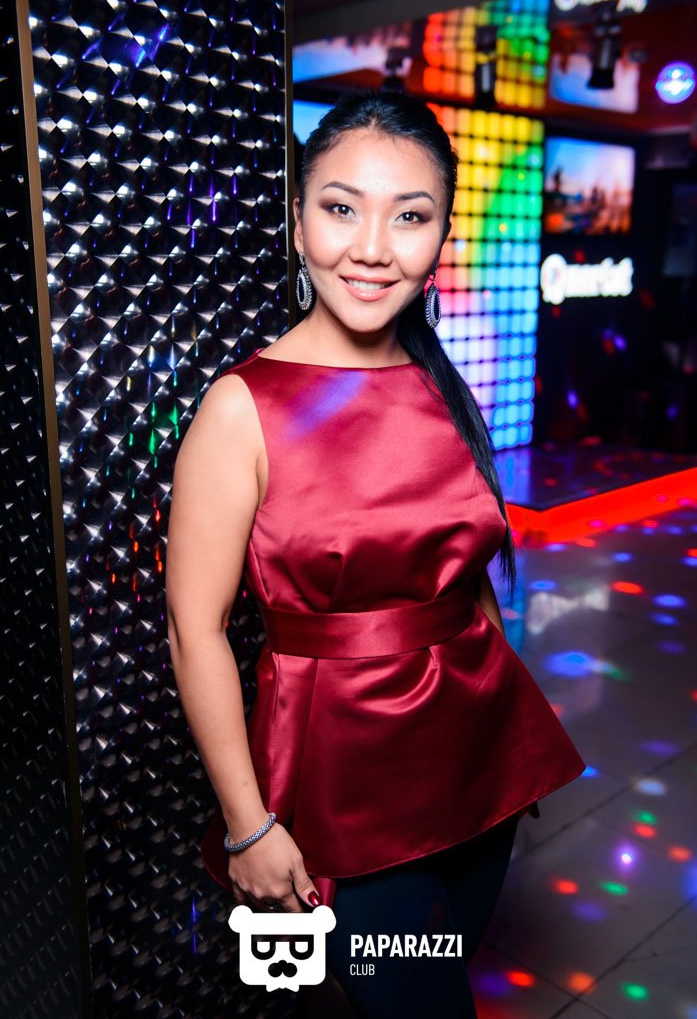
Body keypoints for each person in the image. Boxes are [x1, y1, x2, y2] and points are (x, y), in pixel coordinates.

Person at [166, 89, 586, 1018]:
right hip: (342, 781)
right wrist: (247, 825)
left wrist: (503, 727)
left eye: (408, 217)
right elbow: (196, 631)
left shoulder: (436, 377)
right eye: (340, 207)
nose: (370, 247)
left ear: (440, 240)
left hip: (475, 757)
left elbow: (464, 574)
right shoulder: (242, 407)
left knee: (442, 967)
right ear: (297, 221)